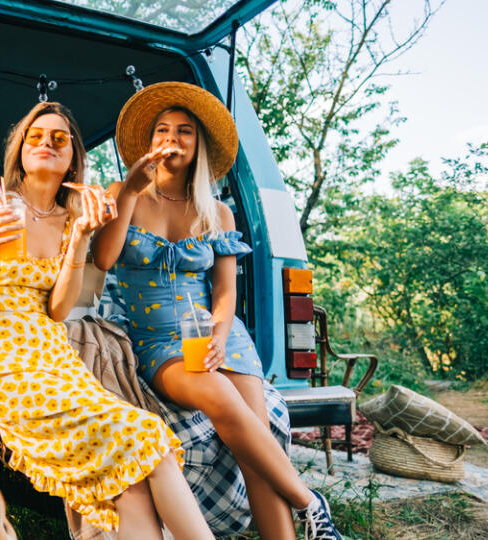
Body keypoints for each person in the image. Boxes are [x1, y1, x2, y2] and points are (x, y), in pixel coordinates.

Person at [0, 101, 214, 539]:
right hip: (2, 360)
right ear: (21, 151)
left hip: (55, 357)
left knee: (136, 465)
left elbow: (59, 310)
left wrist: (82, 238)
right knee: (145, 434)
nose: (46, 143)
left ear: (72, 158)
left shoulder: (71, 219)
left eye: (59, 139)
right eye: (36, 137)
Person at [92, 82, 344, 540]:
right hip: (157, 342)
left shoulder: (218, 214)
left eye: (185, 131)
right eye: (163, 130)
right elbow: (104, 259)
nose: (172, 138)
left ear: (198, 145)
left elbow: (225, 293)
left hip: (219, 335)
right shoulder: (123, 193)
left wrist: (219, 336)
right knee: (224, 401)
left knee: (256, 440)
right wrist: (128, 190)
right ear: (149, 143)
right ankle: (311, 502)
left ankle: (299, 530)